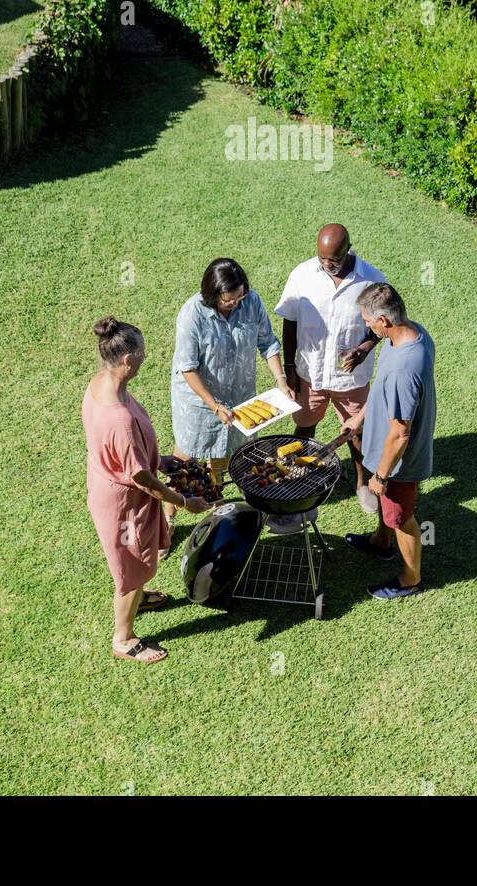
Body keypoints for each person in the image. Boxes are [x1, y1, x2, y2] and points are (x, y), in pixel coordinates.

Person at [82, 315, 211, 663]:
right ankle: (123, 638)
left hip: (109, 484)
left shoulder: (102, 382)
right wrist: (184, 501)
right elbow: (142, 479)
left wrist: (165, 460)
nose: (144, 357)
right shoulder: (119, 419)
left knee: (133, 561)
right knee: (131, 564)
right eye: (141, 352)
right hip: (124, 503)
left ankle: (138, 595)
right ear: (127, 360)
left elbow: (134, 461)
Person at [167, 258, 294, 533]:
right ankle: (168, 518)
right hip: (199, 400)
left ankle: (216, 500)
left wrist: (280, 380)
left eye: (240, 297)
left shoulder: (251, 301)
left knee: (225, 450)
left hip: (238, 395)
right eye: (229, 300)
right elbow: (187, 368)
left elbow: (268, 343)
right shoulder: (193, 314)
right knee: (187, 455)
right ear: (213, 295)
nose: (236, 303)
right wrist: (214, 406)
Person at [275, 223, 386, 512]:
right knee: (304, 426)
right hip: (310, 373)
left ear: (348, 250)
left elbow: (382, 325)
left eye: (333, 260)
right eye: (322, 259)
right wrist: (288, 366)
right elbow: (290, 321)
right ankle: (299, 475)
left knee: (357, 433)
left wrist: (364, 349)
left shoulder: (371, 280)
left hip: (351, 378)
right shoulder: (302, 275)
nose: (327, 265)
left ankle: (362, 483)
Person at [342, 283, 436, 600]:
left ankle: (411, 579)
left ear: (384, 320)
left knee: (401, 517)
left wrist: (381, 476)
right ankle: (381, 544)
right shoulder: (410, 334)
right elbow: (384, 388)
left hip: (398, 462)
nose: (365, 325)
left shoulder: (404, 368)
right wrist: (360, 417)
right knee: (389, 509)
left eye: (367, 320)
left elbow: (400, 434)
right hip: (387, 449)